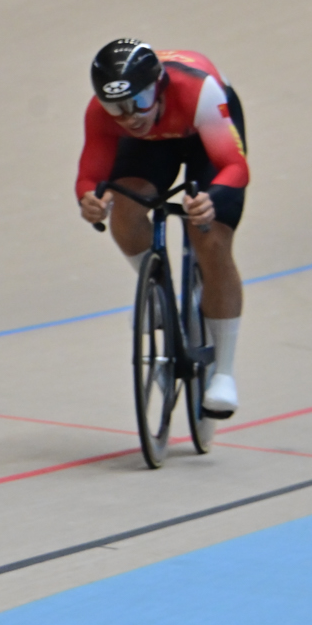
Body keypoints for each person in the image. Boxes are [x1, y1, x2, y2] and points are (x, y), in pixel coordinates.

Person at [74, 40, 248, 415]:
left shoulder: (199, 92)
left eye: (136, 102)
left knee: (212, 238)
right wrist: (89, 201)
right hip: (154, 143)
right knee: (124, 206)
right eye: (115, 108)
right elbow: (90, 175)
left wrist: (210, 197)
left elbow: (235, 166)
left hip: (203, 132)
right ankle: (158, 294)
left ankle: (225, 373)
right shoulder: (110, 114)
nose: (128, 117)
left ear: (159, 86)